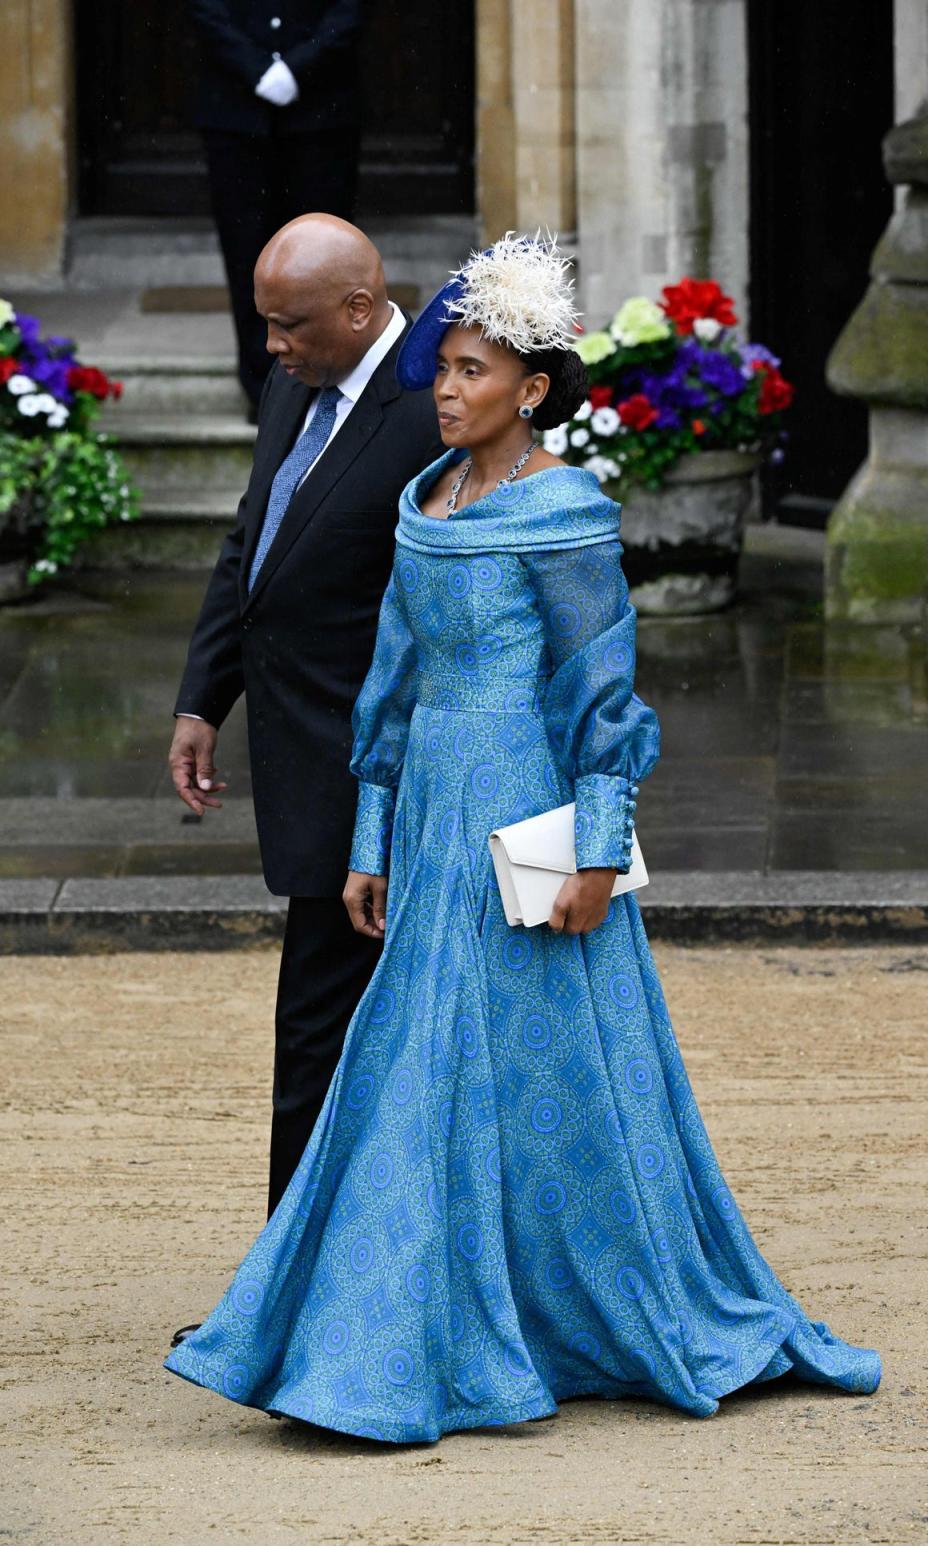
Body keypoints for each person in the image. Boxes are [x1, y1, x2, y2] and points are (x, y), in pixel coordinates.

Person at [165, 235, 881, 1442]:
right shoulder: (422, 500)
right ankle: (383, 1313)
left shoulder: (568, 514)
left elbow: (604, 699)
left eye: (471, 371)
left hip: (528, 815)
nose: (444, 390)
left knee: (549, 1067)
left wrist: (599, 850)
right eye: (440, 367)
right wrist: (371, 838)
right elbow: (389, 691)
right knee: (409, 1059)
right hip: (434, 809)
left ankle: (556, 1309)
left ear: (531, 388)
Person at [168, 212, 443, 1269]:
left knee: (325, 1038)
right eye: (264, 326)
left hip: (390, 779)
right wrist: (205, 697)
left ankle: (298, 1290)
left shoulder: (434, 411)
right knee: (322, 1038)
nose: (270, 349)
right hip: (306, 762)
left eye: (287, 327)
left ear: (360, 310)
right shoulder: (295, 380)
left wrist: (392, 794)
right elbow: (255, 541)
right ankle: (312, 1276)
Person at [189, 1, 365, 411]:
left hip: (321, 111)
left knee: (324, 260)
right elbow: (207, 10)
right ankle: (264, 391)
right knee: (246, 253)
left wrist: (297, 67)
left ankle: (326, 380)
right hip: (236, 112)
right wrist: (256, 68)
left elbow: (348, 11)